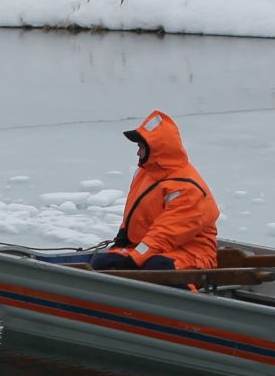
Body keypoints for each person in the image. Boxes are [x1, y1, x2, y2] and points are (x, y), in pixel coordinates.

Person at [89, 109, 220, 273]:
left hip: (192, 254)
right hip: (152, 249)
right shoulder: (146, 173)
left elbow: (165, 234)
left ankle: (189, 296)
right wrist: (121, 241)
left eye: (141, 147)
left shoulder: (187, 188)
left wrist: (134, 259)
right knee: (103, 262)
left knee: (158, 268)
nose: (137, 152)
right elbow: (134, 218)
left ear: (155, 149)